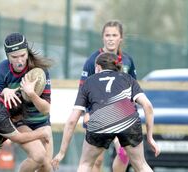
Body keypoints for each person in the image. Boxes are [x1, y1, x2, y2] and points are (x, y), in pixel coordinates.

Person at [51, 52, 160, 172]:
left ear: (97, 67)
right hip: (127, 117)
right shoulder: (127, 78)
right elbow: (148, 106)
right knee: (141, 165)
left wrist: (61, 153)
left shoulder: (89, 82)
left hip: (100, 120)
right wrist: (150, 138)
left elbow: (72, 120)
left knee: (85, 165)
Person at [80, 20, 137, 172]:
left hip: (121, 113)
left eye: (114, 35)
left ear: (121, 38)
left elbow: (133, 90)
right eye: (107, 35)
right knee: (97, 161)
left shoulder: (127, 61)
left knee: (124, 153)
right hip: (97, 114)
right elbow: (83, 89)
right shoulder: (93, 61)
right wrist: (87, 113)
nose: (111, 38)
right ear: (102, 37)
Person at [0, 32, 53, 172]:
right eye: (14, 57)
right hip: (20, 121)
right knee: (38, 156)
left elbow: (45, 109)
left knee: (47, 167)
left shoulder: (40, 71)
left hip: (42, 122)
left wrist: (31, 93)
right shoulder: (1, 71)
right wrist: (3, 93)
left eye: (23, 55)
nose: (20, 60)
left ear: (27, 52)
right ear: (7, 56)